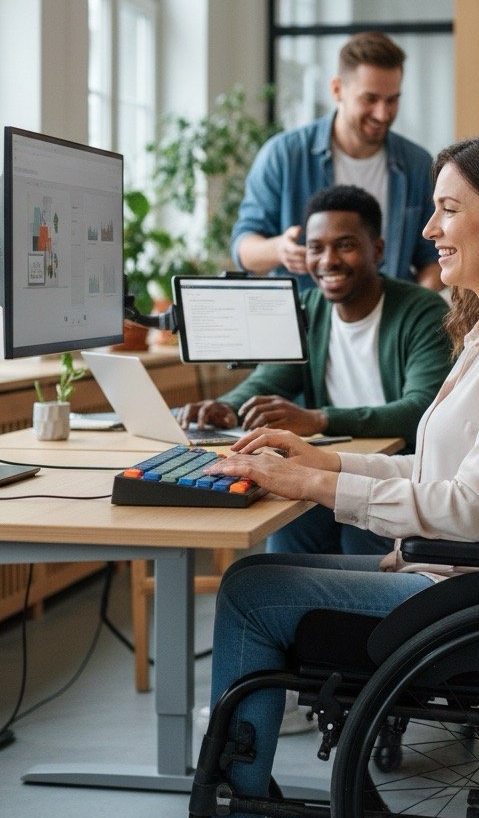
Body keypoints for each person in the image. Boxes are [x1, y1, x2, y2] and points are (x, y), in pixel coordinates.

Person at [117, 132, 479, 818]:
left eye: (448, 210)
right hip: (467, 580)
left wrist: (317, 486)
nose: (431, 230)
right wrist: (323, 459)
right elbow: (439, 465)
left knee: (250, 593)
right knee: (258, 580)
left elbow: (472, 508)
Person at [181, 184, 453, 556]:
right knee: (286, 531)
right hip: (323, 467)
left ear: (377, 250)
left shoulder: (422, 311)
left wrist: (321, 419)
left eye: (345, 245)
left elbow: (420, 408)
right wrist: (226, 406)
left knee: (361, 539)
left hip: (392, 474)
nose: (328, 261)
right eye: (316, 247)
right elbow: (270, 378)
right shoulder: (306, 308)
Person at [231, 31, 443, 292]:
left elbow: (433, 258)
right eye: (370, 99)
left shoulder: (417, 164)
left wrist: (414, 308)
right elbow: (244, 250)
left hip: (389, 327)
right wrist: (279, 250)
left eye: (392, 100)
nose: (382, 113)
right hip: (307, 323)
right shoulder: (284, 155)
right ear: (336, 89)